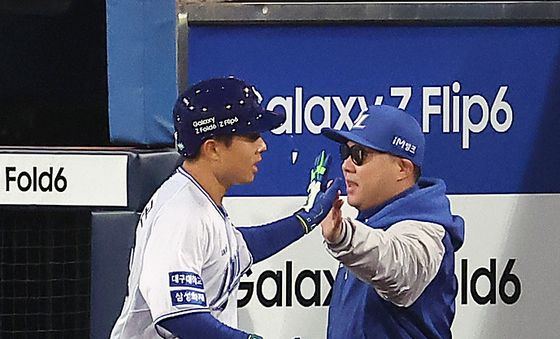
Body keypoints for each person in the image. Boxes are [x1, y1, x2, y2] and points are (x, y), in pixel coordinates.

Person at [110, 76, 341, 339]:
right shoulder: (181, 214)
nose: (262, 146)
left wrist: (304, 220)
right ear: (213, 149)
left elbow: (237, 248)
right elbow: (179, 317)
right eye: (251, 135)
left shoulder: (200, 201)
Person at [320, 104, 465, 338]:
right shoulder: (371, 225)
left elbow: (395, 263)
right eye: (345, 153)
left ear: (402, 168)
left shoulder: (425, 231)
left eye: (359, 155)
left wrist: (343, 236)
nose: (346, 166)